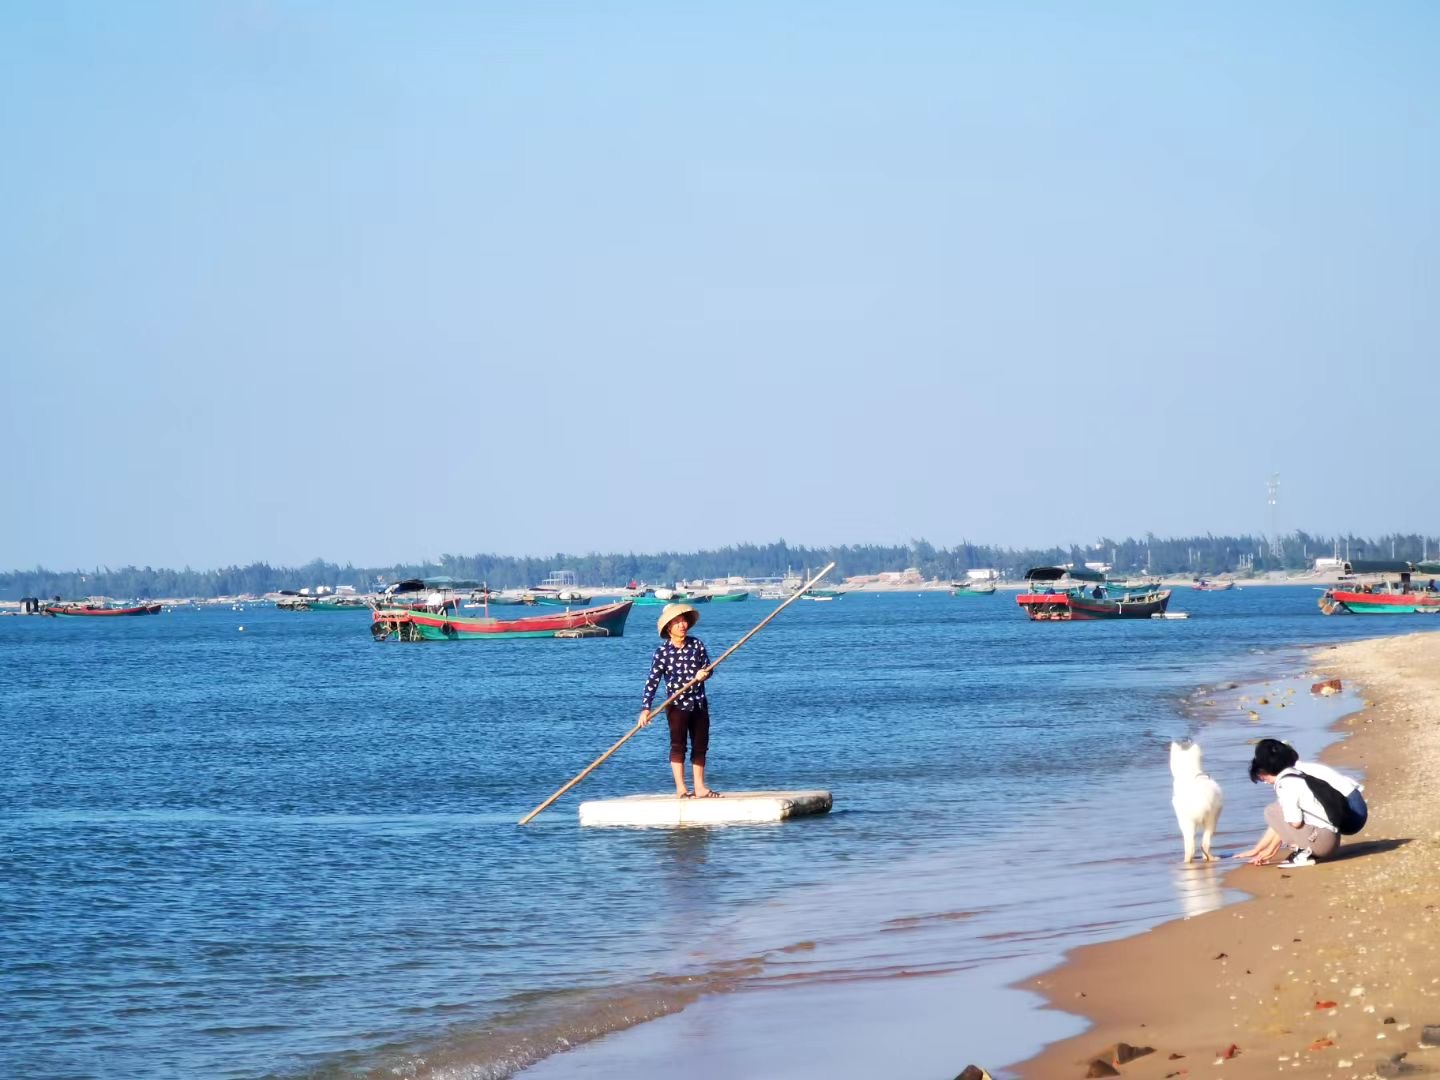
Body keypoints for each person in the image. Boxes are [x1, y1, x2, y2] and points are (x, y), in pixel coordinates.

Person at [1232, 738, 1364, 866]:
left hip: (1352, 811)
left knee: (1274, 811)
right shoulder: (1294, 772)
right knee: (1279, 810)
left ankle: (1304, 851)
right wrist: (1260, 848)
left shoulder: (1286, 782)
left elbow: (1291, 821)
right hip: (1345, 812)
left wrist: (1271, 849)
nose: (1265, 782)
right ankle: (1306, 849)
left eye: (1262, 778)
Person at [637, 603, 719, 798]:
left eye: (684, 621)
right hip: (676, 706)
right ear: (669, 628)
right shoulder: (662, 652)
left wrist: (704, 674)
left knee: (700, 744)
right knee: (678, 745)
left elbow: (709, 668)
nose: (682, 625)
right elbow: (652, 681)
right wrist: (645, 709)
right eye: (677, 622)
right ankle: (681, 788)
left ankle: (699, 787)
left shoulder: (696, 644)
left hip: (698, 703)